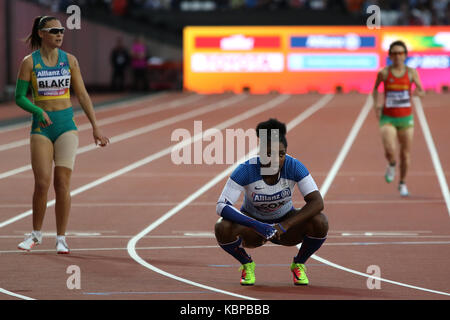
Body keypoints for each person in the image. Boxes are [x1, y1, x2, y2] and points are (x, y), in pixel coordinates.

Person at [15, 16, 110, 254]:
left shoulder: (69, 61)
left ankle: (61, 237)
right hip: (41, 128)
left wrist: (95, 126)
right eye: (54, 30)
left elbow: (83, 95)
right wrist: (37, 110)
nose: (60, 34)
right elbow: (19, 97)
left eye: (62, 31)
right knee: (42, 183)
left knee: (62, 184)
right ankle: (36, 235)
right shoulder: (29, 62)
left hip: (66, 126)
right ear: (41, 33)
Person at [214, 119, 328, 286]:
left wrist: (285, 225)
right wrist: (257, 225)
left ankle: (299, 264)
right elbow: (222, 205)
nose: (276, 159)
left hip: (285, 226)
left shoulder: (294, 166)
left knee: (320, 221)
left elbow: (317, 202)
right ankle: (247, 264)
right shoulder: (246, 169)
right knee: (222, 227)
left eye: (281, 154)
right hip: (253, 228)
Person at [372, 40, 425, 197]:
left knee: (405, 153)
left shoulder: (411, 73)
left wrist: (418, 93)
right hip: (388, 117)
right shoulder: (383, 73)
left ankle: (402, 183)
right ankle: (391, 163)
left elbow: (422, 91)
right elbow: (375, 90)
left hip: (405, 119)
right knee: (389, 149)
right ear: (389, 55)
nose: (397, 56)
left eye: (400, 53)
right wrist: (376, 105)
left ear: (405, 56)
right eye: (394, 53)